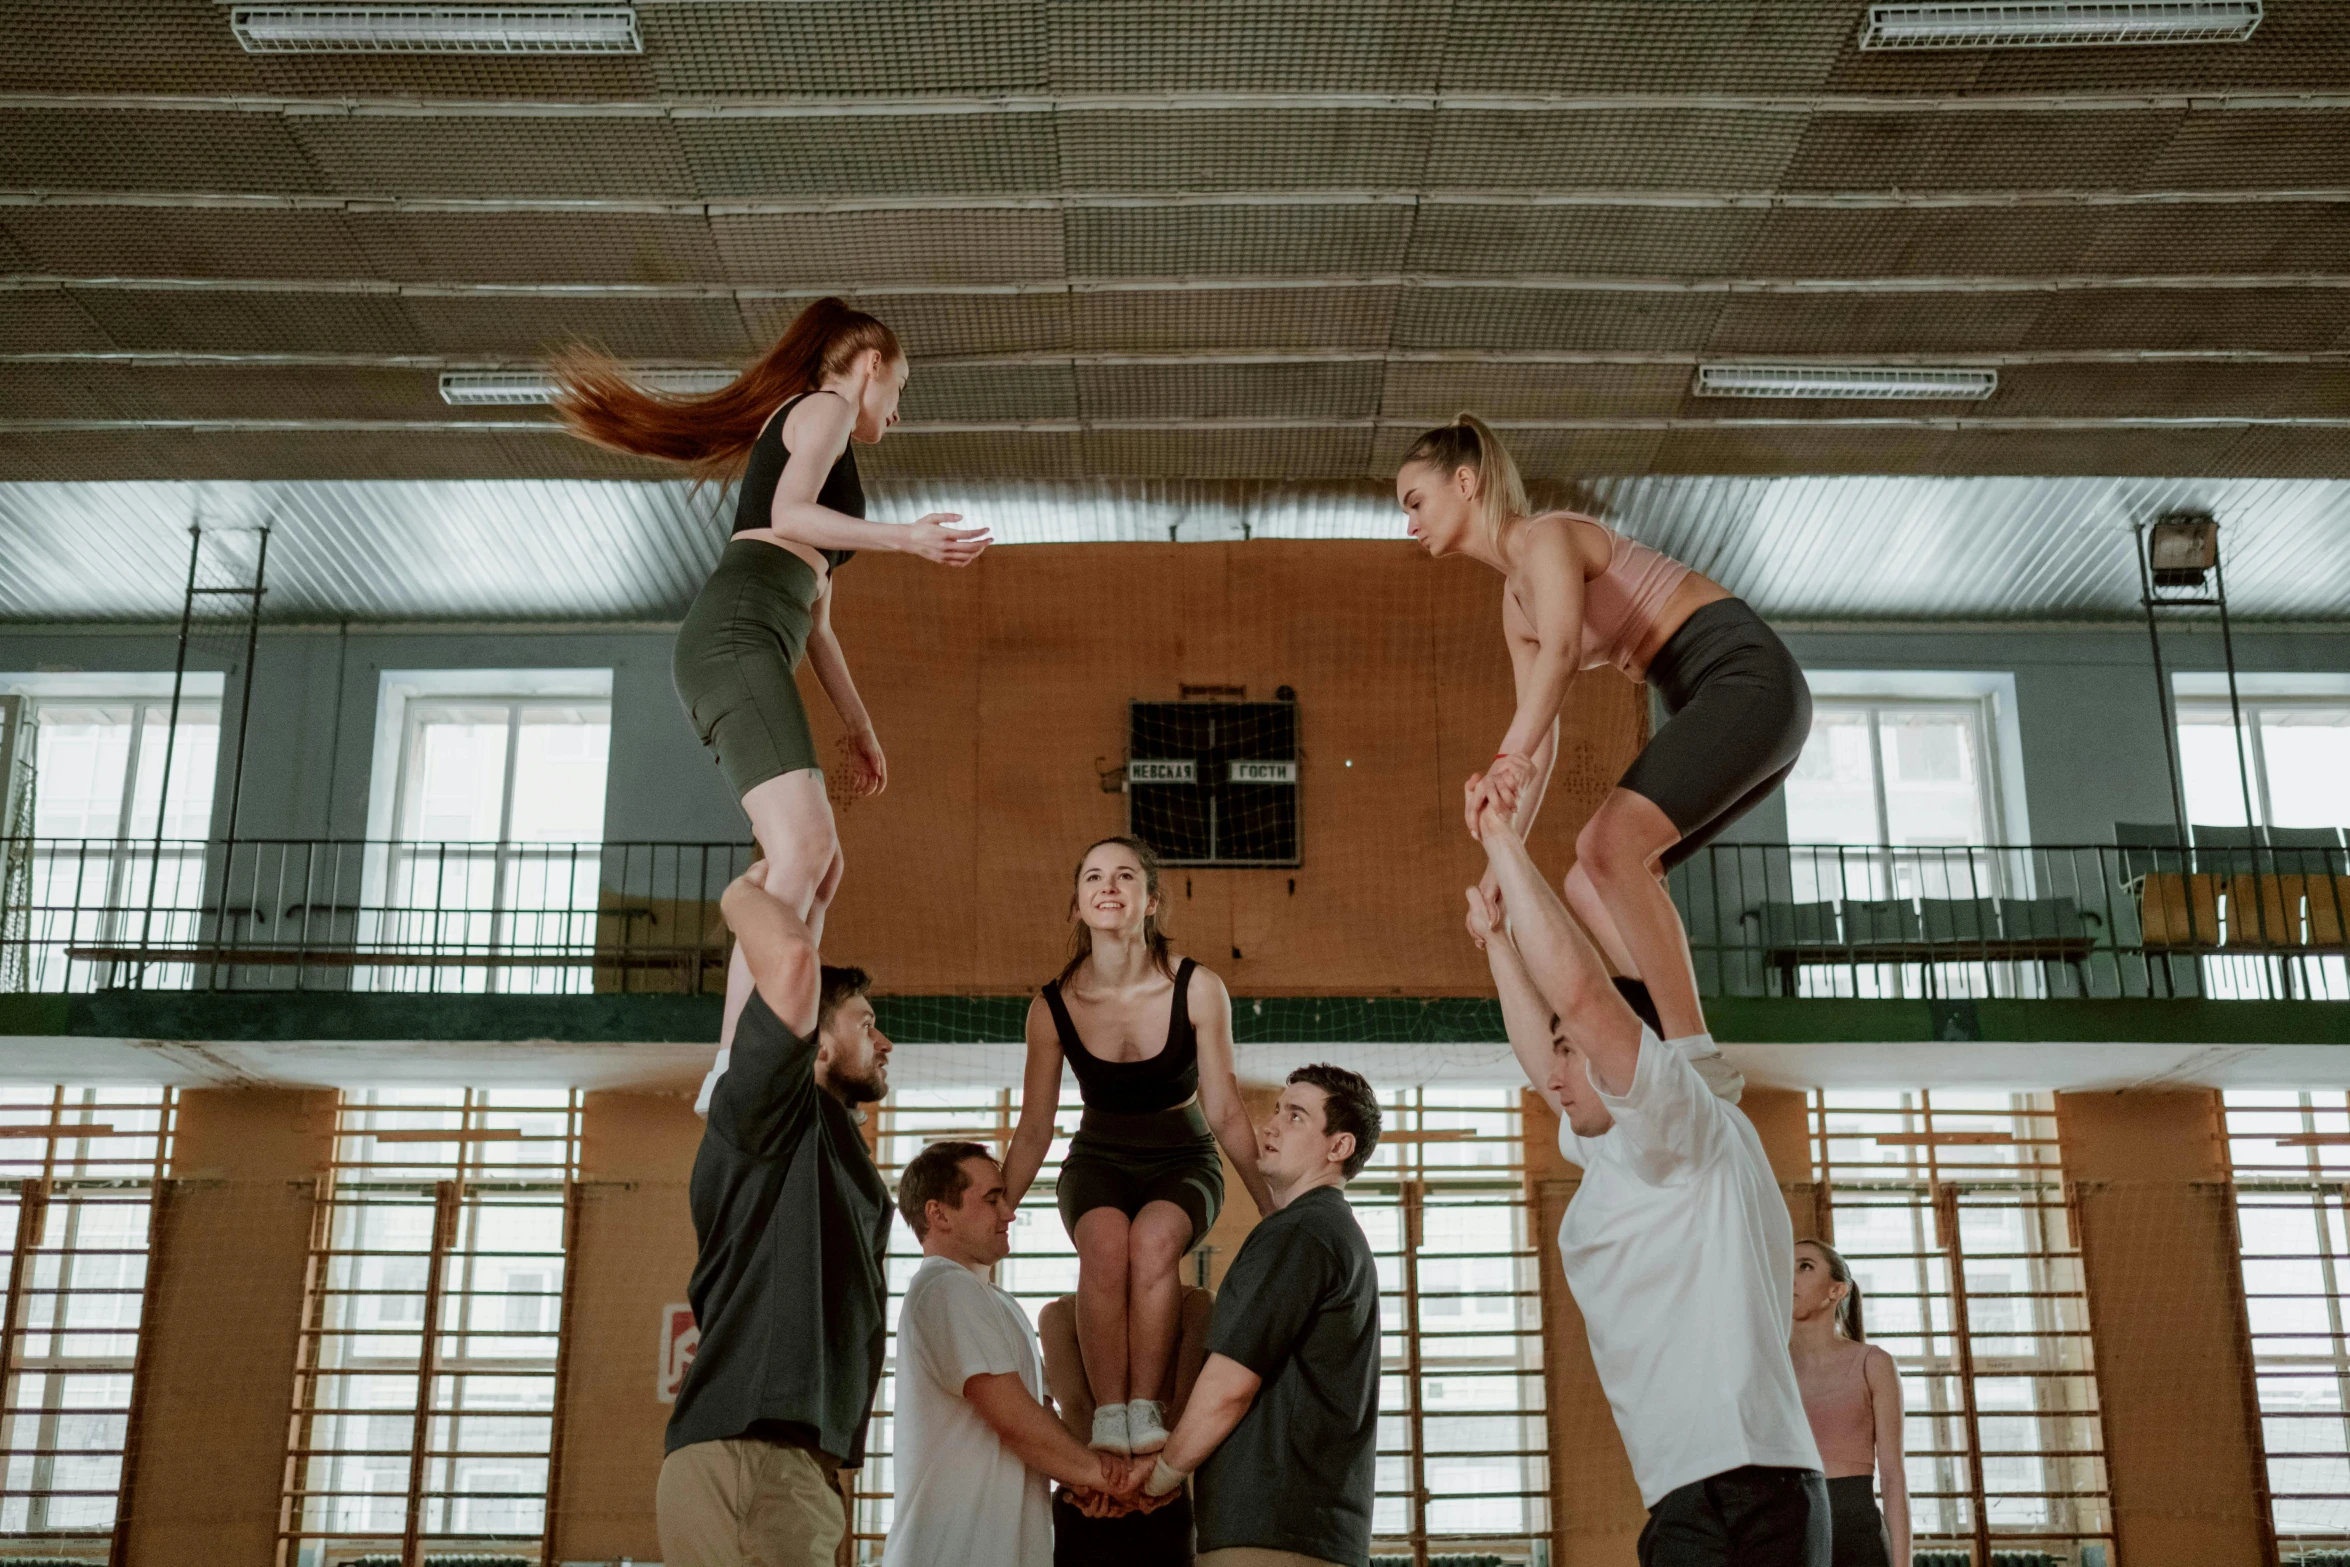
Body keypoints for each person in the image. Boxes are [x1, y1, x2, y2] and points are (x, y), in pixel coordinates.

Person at [551, 297, 991, 1108]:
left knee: (818, 864)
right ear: (870, 366)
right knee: (804, 849)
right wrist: (909, 539)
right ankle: (736, 1061)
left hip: (757, 640)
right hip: (734, 638)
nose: (897, 409)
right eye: (900, 387)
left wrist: (861, 730)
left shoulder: (835, 472)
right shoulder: (822, 407)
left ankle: (780, 1035)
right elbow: (787, 514)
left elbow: (817, 620)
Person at [1465, 793, 1828, 1567]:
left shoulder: (1682, 1129)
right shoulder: (1608, 1148)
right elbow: (1545, 1050)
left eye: (1573, 1052)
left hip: (1754, 1486)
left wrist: (1503, 840)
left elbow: (1584, 999)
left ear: (1634, 1053)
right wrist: (1496, 941)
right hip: (1680, 1494)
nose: (1554, 1074)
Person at [1396, 413, 1810, 1045]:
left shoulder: (1549, 537)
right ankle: (1670, 1046)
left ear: (1465, 481)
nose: (1410, 524)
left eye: (1416, 501)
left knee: (1609, 844)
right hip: (1710, 697)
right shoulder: (1514, 604)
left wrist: (1508, 759)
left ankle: (1694, 1054)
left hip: (1748, 679)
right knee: (1589, 881)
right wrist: (1497, 873)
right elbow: (1543, 738)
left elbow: (1563, 653)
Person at [657, 860, 896, 1567]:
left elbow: (788, 976)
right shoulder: (767, 1117)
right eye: (868, 1023)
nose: (885, 1042)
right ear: (815, 1045)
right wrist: (741, 893)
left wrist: (806, 888)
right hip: (750, 1456)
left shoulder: (828, 1141)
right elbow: (790, 963)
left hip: (794, 1468)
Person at [1003, 836, 1274, 1457]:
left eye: (1126, 876)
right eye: (1094, 876)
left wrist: (1270, 1205)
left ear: (1151, 901)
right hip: (1097, 1157)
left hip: (1184, 1156)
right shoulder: (1051, 1007)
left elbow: (1226, 1108)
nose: (1109, 886)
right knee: (1103, 1246)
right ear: (1077, 905)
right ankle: (1110, 1414)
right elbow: (1035, 1128)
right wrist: (1001, 1204)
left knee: (1151, 1242)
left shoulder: (1199, 988)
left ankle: (1146, 1407)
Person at [1141, 1064, 1384, 1567]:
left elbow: (1230, 1387)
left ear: (1337, 1147)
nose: (1270, 1126)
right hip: (1300, 1530)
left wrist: (1161, 1477)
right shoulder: (1328, 1231)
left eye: (1295, 1116)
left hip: (1273, 1532)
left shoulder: (1302, 1232)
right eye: (1277, 1110)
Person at [882, 1141, 1141, 1567]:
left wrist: (1081, 1477)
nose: (1009, 1212)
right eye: (991, 1199)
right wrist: (1105, 1477)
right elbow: (1014, 1422)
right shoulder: (944, 1289)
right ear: (938, 1214)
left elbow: (1039, 1417)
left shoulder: (998, 1302)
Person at [1039, 1283, 1209, 1565]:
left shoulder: (1195, 1304)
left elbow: (1185, 1407)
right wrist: (1112, 1485)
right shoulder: (1061, 1314)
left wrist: (1116, 1483)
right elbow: (1077, 1411)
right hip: (1098, 1496)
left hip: (1152, 1494)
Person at [1792, 1240, 1909, 1567]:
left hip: (1854, 1529)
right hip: (1785, 1528)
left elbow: (1892, 1476)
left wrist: (1903, 1564)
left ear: (1837, 1291)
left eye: (1805, 1266)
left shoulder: (1874, 1363)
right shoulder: (1769, 1369)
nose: (1790, 1277)